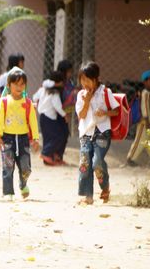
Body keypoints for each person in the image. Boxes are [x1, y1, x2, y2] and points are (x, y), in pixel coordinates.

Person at [75, 62, 119, 205]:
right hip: (86, 134)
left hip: (102, 133)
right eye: (82, 80)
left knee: (97, 162)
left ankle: (104, 187)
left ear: (96, 79)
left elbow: (116, 110)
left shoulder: (105, 92)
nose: (85, 84)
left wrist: (105, 112)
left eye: (88, 80)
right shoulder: (81, 95)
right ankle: (87, 196)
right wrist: (86, 102)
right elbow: (81, 115)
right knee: (85, 163)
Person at [0, 67, 40, 201]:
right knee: (8, 166)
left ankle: (23, 183)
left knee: (26, 167)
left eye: (22, 84)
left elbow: (33, 121)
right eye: (16, 84)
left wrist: (36, 138)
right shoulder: (3, 102)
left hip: (23, 139)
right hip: (7, 139)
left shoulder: (28, 103)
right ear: (8, 85)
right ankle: (8, 192)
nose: (19, 87)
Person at [33, 71, 68, 165]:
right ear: (58, 83)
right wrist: (65, 115)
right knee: (57, 136)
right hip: (50, 118)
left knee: (48, 137)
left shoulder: (43, 90)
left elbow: (34, 97)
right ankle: (45, 153)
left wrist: (38, 104)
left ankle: (52, 156)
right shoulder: (55, 93)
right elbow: (57, 106)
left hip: (42, 117)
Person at [125, 70, 150, 166]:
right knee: (139, 139)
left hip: (148, 121)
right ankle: (130, 158)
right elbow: (145, 108)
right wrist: (147, 121)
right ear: (145, 81)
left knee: (147, 141)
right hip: (145, 121)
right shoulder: (145, 92)